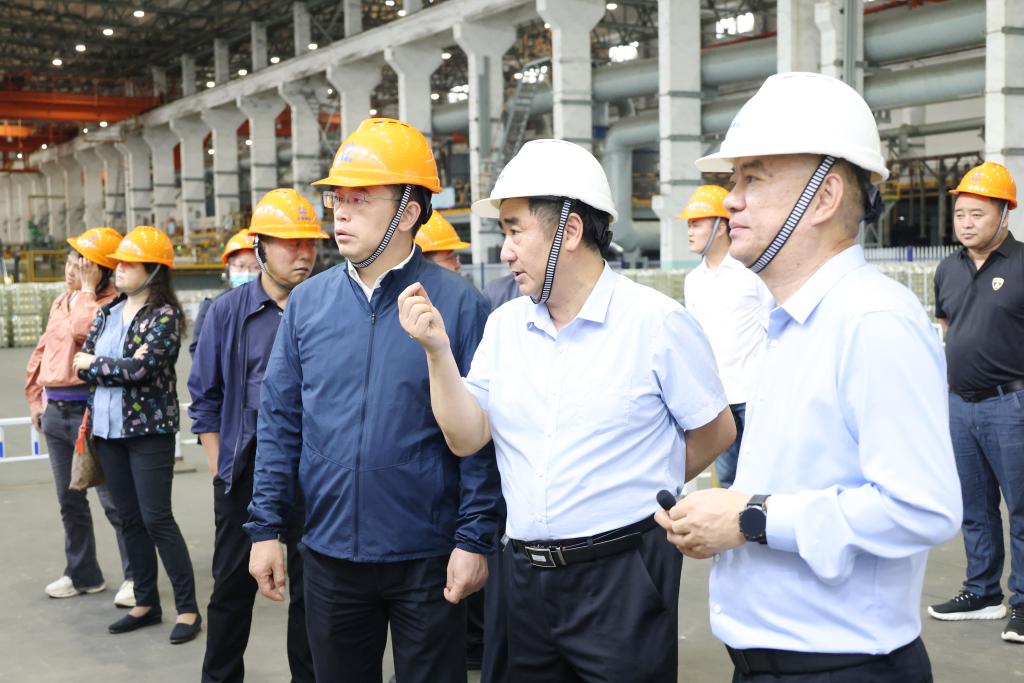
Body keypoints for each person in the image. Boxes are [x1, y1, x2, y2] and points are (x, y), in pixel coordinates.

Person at [654, 72, 962, 682]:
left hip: (844, 667)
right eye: (734, 180)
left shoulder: (871, 321)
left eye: (753, 179)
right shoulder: (790, 322)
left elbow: (922, 508)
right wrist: (727, 520)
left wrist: (752, 518)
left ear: (823, 198)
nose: (730, 201)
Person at [399, 138, 735, 683]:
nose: (505, 252)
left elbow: (716, 431)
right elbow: (467, 437)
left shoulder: (656, 323)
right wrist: (438, 354)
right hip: (522, 581)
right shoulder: (505, 327)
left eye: (515, 231)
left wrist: (642, 479)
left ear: (570, 231)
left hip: (623, 579)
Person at [246, 118, 501, 683]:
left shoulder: (459, 306)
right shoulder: (308, 305)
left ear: (408, 212)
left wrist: (474, 539)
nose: (340, 213)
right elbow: (280, 423)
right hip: (329, 552)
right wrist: (266, 529)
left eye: (359, 199)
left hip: (427, 554)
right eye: (337, 198)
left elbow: (484, 439)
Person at [189, 189, 324, 682]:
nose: (303, 254)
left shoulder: (328, 305)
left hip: (316, 472)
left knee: (313, 591)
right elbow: (204, 396)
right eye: (291, 244)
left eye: (310, 243)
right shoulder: (227, 312)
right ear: (261, 247)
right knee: (231, 586)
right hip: (245, 468)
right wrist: (220, 466)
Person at [73, 225, 201, 645]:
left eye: (129, 264)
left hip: (149, 433)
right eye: (119, 263)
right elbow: (81, 362)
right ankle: (146, 602)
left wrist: (98, 364)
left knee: (156, 519)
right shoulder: (108, 313)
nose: (120, 269)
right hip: (108, 431)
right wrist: (109, 364)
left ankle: (187, 608)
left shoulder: (164, 317)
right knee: (129, 519)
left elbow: (141, 370)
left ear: (154, 270)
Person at [929, 161, 1024, 643]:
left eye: (977, 214)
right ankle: (983, 592)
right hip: (960, 405)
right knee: (975, 505)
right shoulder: (948, 269)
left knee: (1022, 507)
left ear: (1005, 214)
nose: (966, 223)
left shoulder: (1022, 264)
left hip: (1013, 405)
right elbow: (948, 329)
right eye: (960, 214)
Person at [26, 227, 133, 607]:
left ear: (102, 271)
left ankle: (136, 577)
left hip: (92, 409)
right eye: (72, 260)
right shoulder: (61, 301)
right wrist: (35, 398)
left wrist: (87, 291)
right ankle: (83, 573)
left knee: (114, 499)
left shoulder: (113, 304)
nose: (73, 268)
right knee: (69, 500)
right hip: (56, 410)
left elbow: (83, 333)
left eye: (84, 264)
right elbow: (42, 352)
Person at [680, 185, 774, 488]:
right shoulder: (693, 281)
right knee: (728, 483)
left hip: (755, 396)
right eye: (689, 224)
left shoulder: (752, 274)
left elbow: (773, 329)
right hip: (719, 400)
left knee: (763, 478)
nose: (689, 231)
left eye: (697, 223)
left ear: (721, 227)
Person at [189, 229, 258, 357]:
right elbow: (199, 352)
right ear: (228, 268)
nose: (247, 273)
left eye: (255, 267)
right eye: (240, 266)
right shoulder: (212, 307)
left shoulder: (272, 306)